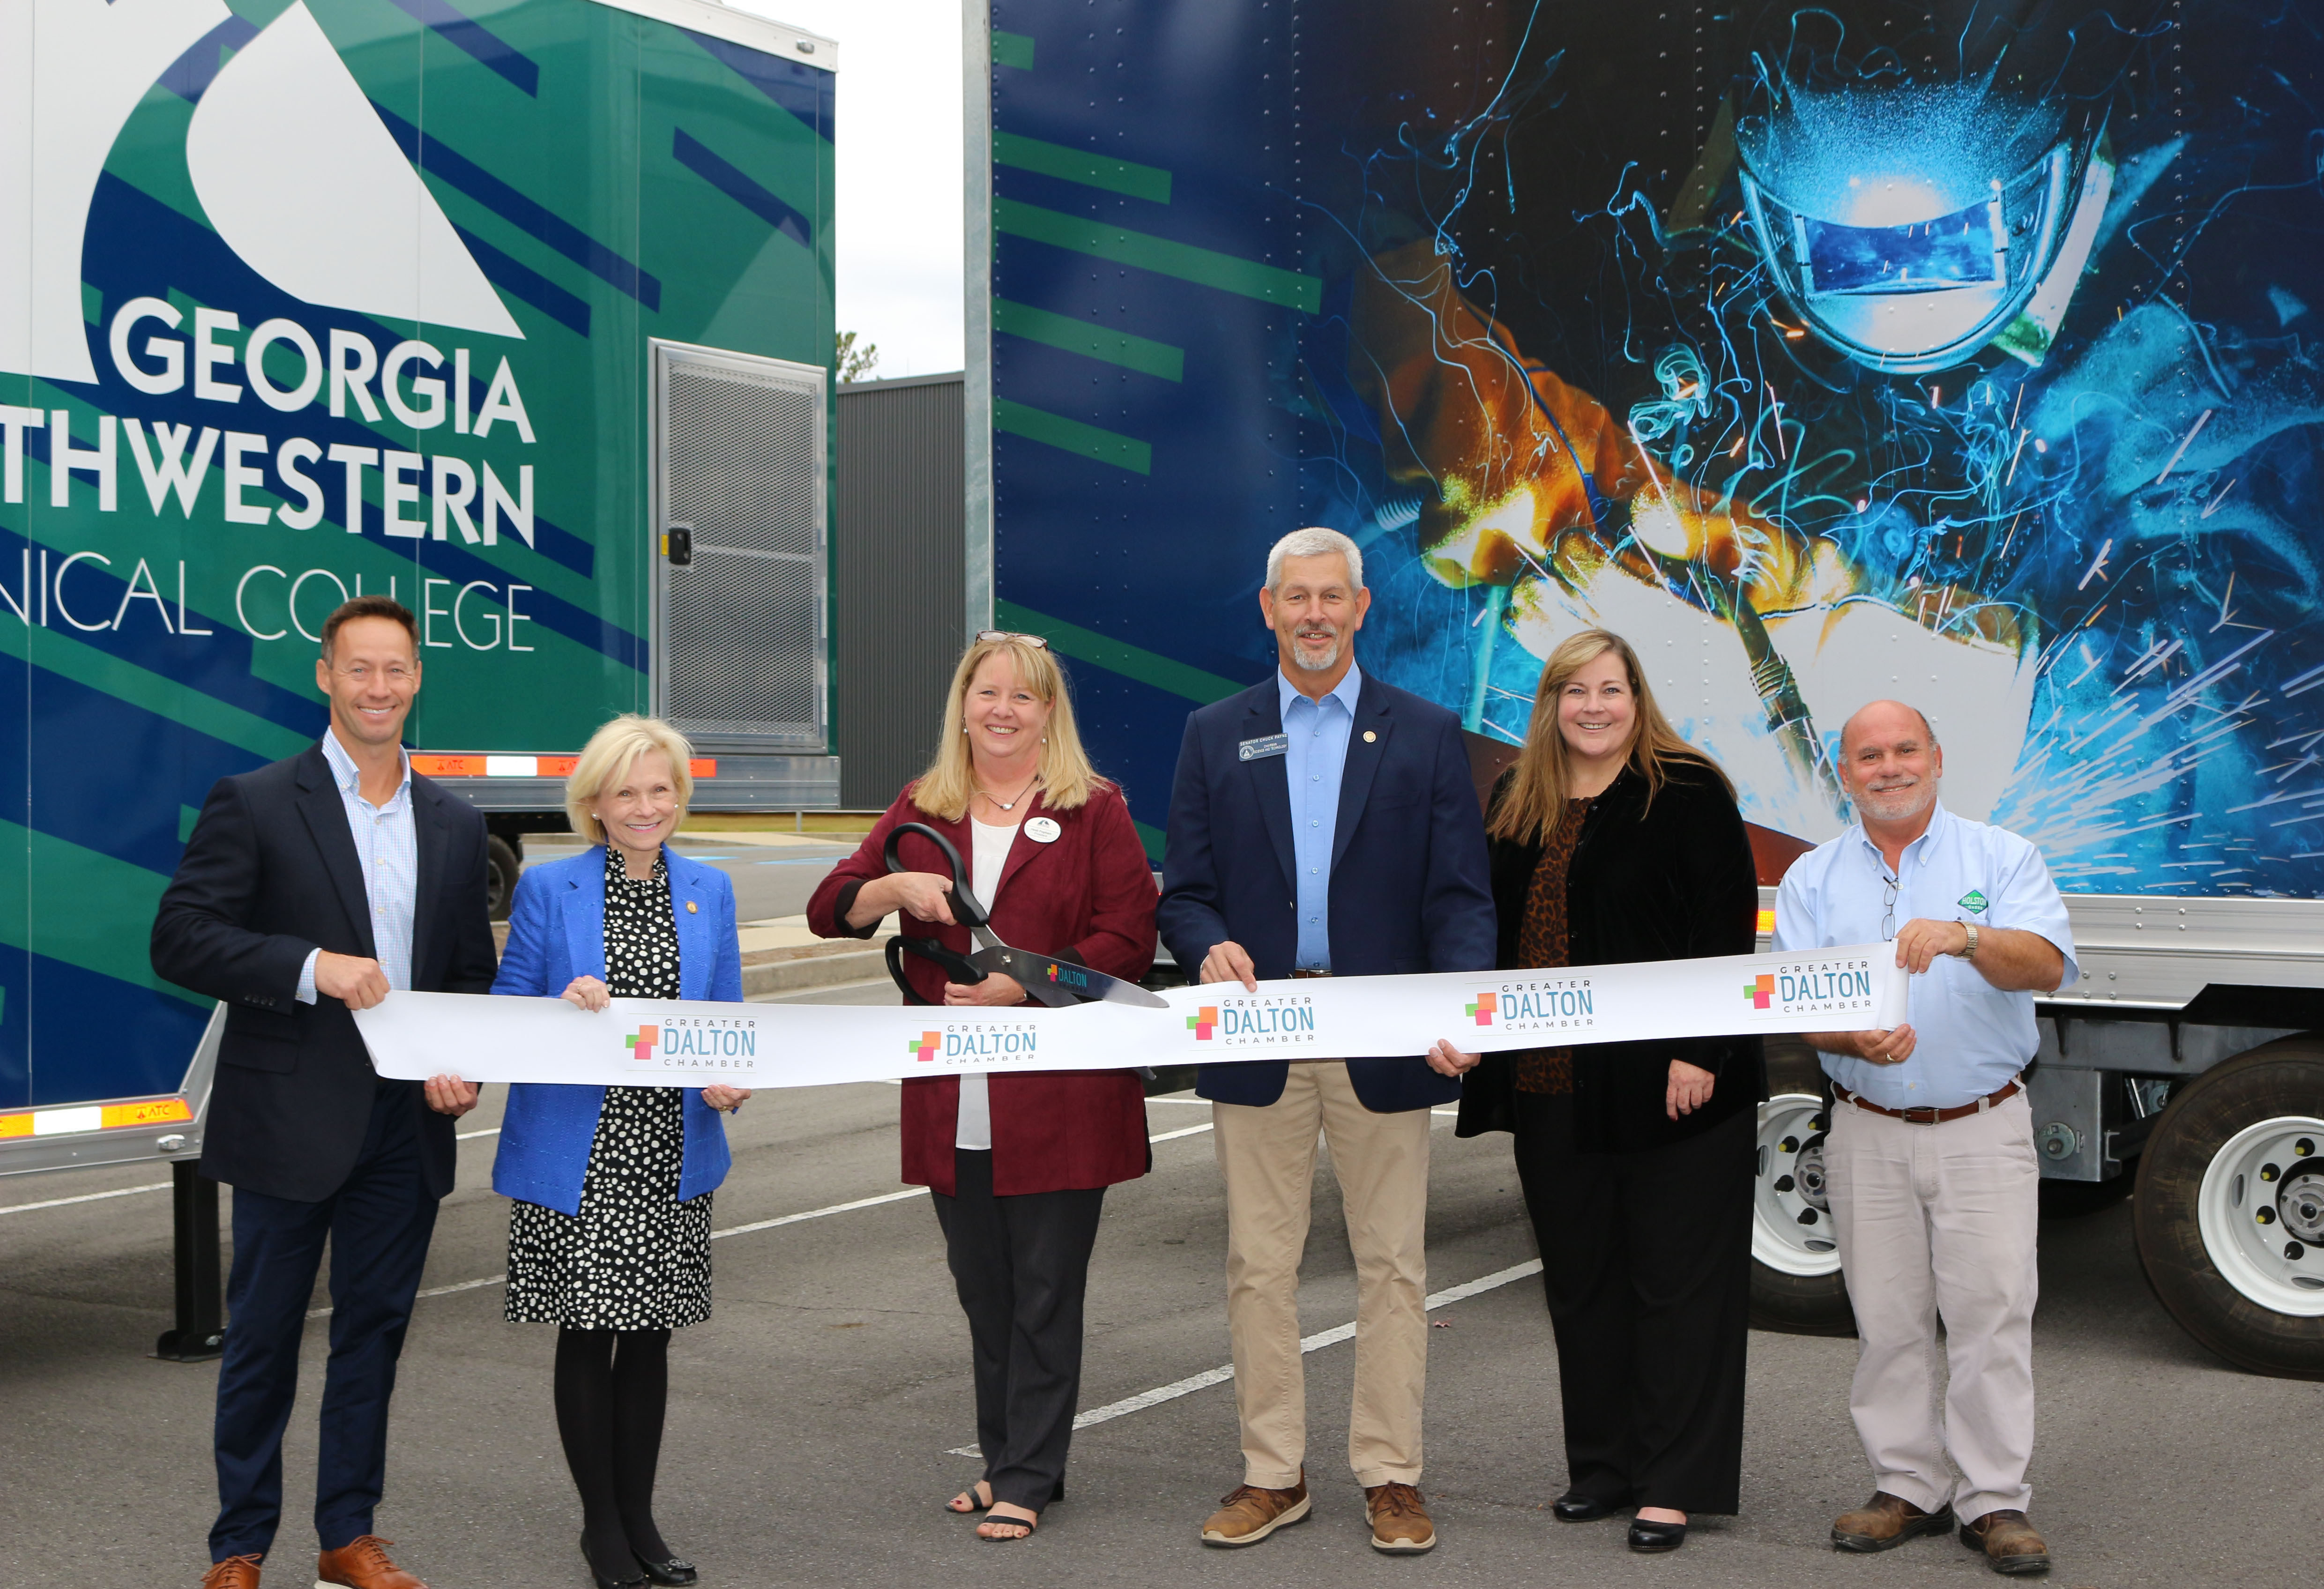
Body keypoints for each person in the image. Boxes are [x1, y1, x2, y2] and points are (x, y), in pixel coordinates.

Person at [1156, 526, 1494, 1555]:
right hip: (1260, 1036)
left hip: (1382, 1040)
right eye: (1293, 597)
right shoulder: (1214, 733)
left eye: (1330, 597)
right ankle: (1273, 1474)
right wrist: (1207, 945)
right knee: (1258, 1265)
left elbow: (1459, 899)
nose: (1312, 614)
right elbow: (1185, 895)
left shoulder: (1427, 732)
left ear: (1360, 609)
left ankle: (1390, 1474)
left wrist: (1458, 1011)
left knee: (1390, 1264)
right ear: (1267, 609)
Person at [152, 596, 496, 1589]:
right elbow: (180, 936)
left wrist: (458, 1059)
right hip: (285, 1122)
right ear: (325, 676)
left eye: (395, 670)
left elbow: (466, 974)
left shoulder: (455, 822)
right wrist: (311, 965)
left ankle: (348, 1534)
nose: (378, 688)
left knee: (372, 1338)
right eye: (360, 670)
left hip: (404, 1127)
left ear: (417, 679)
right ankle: (239, 1545)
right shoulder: (256, 800)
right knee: (260, 1339)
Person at [805, 633, 1156, 1542]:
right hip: (952, 1096)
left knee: (1045, 1289)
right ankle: (1010, 1460)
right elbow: (829, 906)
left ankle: (1028, 1475)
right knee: (984, 1290)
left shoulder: (1094, 809)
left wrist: (1029, 980)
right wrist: (892, 886)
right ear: (963, 702)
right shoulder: (924, 805)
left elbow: (1127, 937)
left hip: (1062, 1099)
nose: (1001, 709)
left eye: (1022, 696)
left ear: (1048, 712)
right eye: (985, 691)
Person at [1438, 628, 1763, 1555]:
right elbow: (1485, 936)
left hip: (1674, 1088)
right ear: (1549, 704)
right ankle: (1603, 1466)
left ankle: (1671, 1480)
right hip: (1549, 1090)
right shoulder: (1515, 798)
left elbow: (1722, 926)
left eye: (1609, 689)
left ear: (1636, 697)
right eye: (1573, 690)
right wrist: (1463, 1025)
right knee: (1582, 1287)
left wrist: (1700, 1047)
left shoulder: (1686, 789)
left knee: (1676, 1287)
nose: (1591, 706)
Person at [1774, 700, 2075, 1577]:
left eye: (1906, 750)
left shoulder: (2001, 856)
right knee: (1888, 1318)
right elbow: (1797, 1007)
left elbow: (2047, 966)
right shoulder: (1813, 879)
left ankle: (1993, 1502)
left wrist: (1968, 937)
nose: (1890, 767)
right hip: (1868, 1128)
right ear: (1845, 772)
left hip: (1981, 1124)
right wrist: (1849, 1036)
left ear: (1938, 759)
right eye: (1869, 755)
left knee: (1990, 1315)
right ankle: (1907, 1485)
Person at [490, 715, 749, 1589]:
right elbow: (506, 1008)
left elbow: (727, 1022)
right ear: (594, 802)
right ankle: (602, 1530)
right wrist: (560, 1000)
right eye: (628, 791)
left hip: (673, 1147)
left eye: (661, 788)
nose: (647, 806)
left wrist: (731, 1078)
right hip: (581, 1147)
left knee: (650, 1341)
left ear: (680, 794)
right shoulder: (548, 887)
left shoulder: (710, 887)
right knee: (588, 1333)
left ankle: (640, 1517)